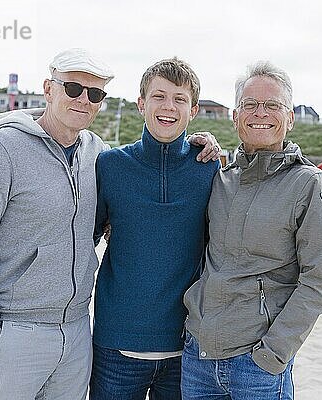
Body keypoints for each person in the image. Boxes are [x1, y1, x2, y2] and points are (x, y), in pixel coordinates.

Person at [0, 49, 220, 400]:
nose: (83, 100)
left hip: (82, 332)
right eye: (73, 89)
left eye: (94, 94)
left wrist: (207, 142)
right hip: (19, 331)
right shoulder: (8, 147)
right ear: (49, 89)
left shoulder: (98, 154)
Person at [181, 61, 322, 400]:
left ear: (290, 117)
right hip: (198, 357)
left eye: (273, 105)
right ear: (235, 116)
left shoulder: (310, 185)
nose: (260, 113)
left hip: (258, 366)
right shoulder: (219, 177)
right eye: (250, 105)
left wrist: (271, 355)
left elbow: (320, 283)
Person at [89, 58, 221, 400]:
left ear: (193, 111)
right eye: (159, 96)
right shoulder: (110, 165)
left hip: (186, 348)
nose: (168, 107)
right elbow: (83, 237)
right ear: (141, 103)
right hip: (116, 345)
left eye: (179, 99)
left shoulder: (210, 169)